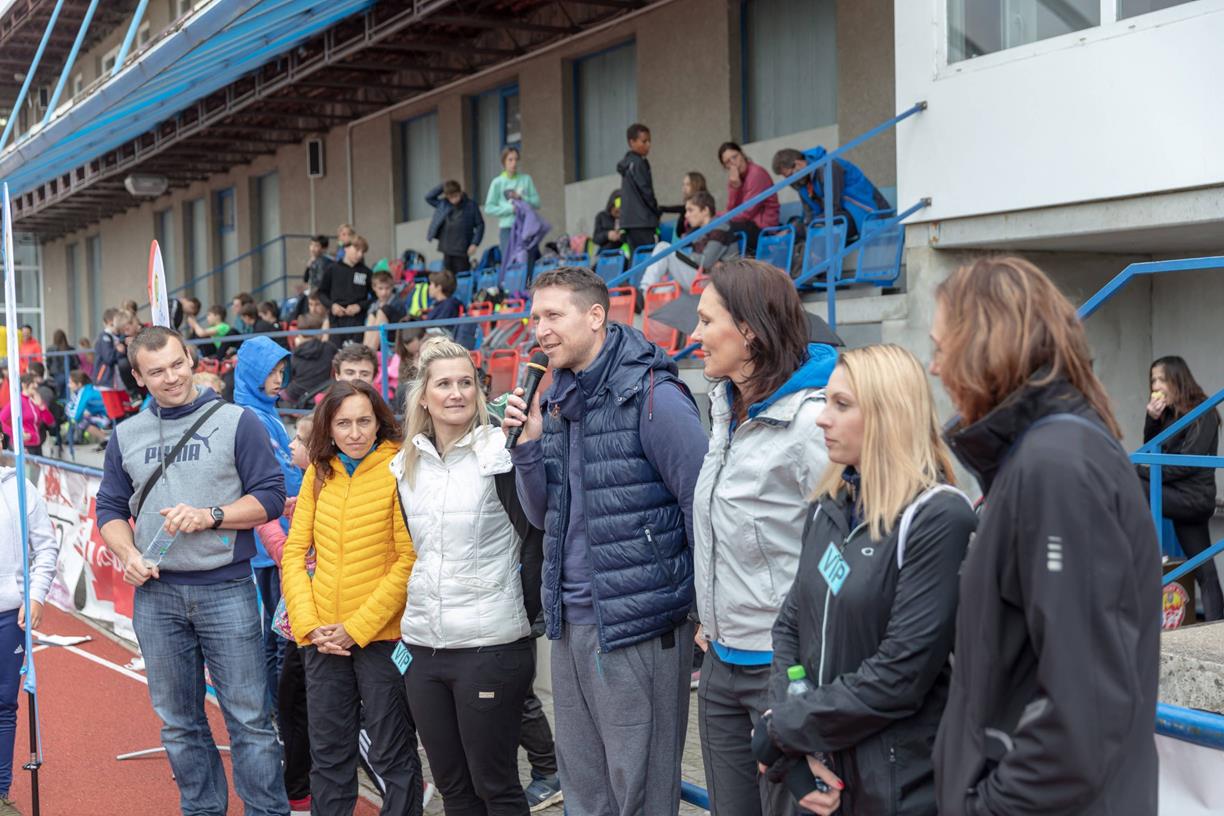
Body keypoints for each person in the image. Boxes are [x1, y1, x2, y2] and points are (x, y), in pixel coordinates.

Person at [929, 256, 1161, 815]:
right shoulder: (1043, 457)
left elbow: (1084, 711)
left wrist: (986, 807)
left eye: (940, 348)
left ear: (984, 349)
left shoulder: (1057, 467)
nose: (934, 368)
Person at [501, 266, 708, 815]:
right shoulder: (557, 398)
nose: (540, 330)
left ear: (596, 316)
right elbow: (543, 516)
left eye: (553, 315)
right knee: (587, 792)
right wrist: (527, 446)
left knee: (639, 791)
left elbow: (700, 505)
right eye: (535, 318)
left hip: (639, 625)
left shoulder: (654, 396)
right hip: (571, 622)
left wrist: (705, 609)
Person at [752, 344, 976, 816]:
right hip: (820, 770)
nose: (822, 419)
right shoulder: (829, 505)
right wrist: (793, 747)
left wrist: (783, 730)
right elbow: (790, 626)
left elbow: (900, 675)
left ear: (887, 414)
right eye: (826, 402)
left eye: (841, 404)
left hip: (896, 787)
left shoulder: (937, 517)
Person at [95, 326, 288, 816]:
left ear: (190, 358)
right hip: (156, 595)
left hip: (227, 589)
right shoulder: (126, 434)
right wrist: (127, 554)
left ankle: (267, 811)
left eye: (178, 364)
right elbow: (110, 508)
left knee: (249, 720)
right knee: (179, 723)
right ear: (139, 377)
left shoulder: (237, 421)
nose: (172, 377)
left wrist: (212, 515)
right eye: (157, 371)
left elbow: (269, 497)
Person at [688, 260, 836, 815]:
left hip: (784, 670)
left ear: (749, 330)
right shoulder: (724, 409)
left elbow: (853, 544)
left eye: (707, 321)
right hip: (719, 663)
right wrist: (709, 611)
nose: (694, 334)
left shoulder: (812, 424)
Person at [392, 336, 542, 815]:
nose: (456, 393)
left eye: (466, 382)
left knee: (495, 786)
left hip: (489, 645)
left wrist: (524, 612)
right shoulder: (405, 464)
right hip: (423, 647)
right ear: (423, 396)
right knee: (453, 788)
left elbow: (537, 537)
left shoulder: (502, 451)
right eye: (443, 384)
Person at [280, 380, 421, 816]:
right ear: (329, 427)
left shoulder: (400, 468)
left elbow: (408, 559)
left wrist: (356, 628)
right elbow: (294, 553)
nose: (355, 433)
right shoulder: (319, 473)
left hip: (381, 638)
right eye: (343, 423)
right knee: (329, 755)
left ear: (379, 422)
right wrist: (308, 625)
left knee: (393, 752)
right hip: (322, 639)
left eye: (364, 421)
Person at [235, 337, 302, 715]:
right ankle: (277, 712)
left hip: (278, 534)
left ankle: (274, 709)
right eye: (270, 372)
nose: (278, 379)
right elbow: (273, 479)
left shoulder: (265, 412)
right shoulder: (252, 417)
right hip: (271, 540)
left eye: (281, 372)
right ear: (252, 373)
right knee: (279, 632)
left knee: (275, 629)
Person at [1140, 356, 1222, 620]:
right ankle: (1218, 627)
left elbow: (1184, 465)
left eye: (1161, 379)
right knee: (1205, 572)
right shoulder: (1169, 413)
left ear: (1178, 379)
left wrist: (1141, 469)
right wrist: (1152, 418)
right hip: (1177, 496)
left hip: (1193, 499)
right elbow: (1151, 449)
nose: (1156, 386)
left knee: (1130, 477)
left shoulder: (1203, 412)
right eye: (1153, 380)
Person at [263, 413, 315, 814]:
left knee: (296, 703)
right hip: (295, 614)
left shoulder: (322, 489)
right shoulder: (310, 488)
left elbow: (295, 556)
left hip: (309, 618)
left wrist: (265, 523)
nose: (291, 446)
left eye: (299, 439)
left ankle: (299, 789)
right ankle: (297, 786)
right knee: (290, 698)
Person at [0, 463, 59, 816]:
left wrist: (36, 595)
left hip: (9, 614)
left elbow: (46, 547)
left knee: (3, 704)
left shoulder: (19, 486)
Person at [771, 147, 891, 243]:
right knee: (795, 232)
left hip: (867, 213)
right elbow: (810, 214)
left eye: (790, 175)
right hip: (840, 216)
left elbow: (833, 207)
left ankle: (817, 264)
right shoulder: (801, 183)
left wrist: (806, 227)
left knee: (817, 226)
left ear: (798, 164)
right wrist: (793, 229)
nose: (790, 181)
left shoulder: (829, 167)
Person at [639, 191, 740, 292]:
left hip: (719, 282)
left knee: (663, 247)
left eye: (690, 210)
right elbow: (703, 261)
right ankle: (643, 296)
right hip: (705, 276)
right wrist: (694, 258)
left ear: (705, 210)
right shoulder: (700, 232)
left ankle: (643, 289)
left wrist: (690, 257)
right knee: (658, 291)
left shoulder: (720, 226)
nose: (686, 215)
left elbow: (706, 261)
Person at [485, 146, 541, 265]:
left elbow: (537, 202)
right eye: (510, 160)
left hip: (526, 227)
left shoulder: (526, 179)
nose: (513, 163)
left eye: (516, 159)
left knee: (528, 261)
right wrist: (510, 209)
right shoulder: (497, 182)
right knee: (510, 263)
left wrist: (522, 198)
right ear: (504, 162)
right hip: (507, 227)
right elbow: (489, 208)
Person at [718, 143, 779, 251]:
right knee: (714, 228)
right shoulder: (734, 179)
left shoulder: (756, 173)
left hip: (764, 228)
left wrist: (719, 216)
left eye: (735, 157)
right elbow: (731, 209)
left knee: (720, 227)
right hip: (748, 224)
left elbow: (747, 212)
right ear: (725, 167)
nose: (733, 163)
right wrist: (735, 187)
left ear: (742, 154)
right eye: (728, 162)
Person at [318, 235, 374, 348]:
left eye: (362, 252)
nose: (360, 254)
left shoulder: (366, 272)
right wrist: (332, 306)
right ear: (346, 248)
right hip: (336, 320)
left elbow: (375, 297)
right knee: (334, 352)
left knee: (356, 353)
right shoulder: (332, 269)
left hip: (358, 320)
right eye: (357, 250)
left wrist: (359, 306)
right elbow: (322, 293)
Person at [617, 123, 660, 253]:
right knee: (650, 256)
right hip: (643, 221)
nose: (648, 145)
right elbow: (646, 190)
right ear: (632, 142)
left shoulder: (627, 164)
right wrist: (656, 210)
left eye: (649, 141)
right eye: (644, 141)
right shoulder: (639, 162)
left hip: (629, 222)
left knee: (637, 257)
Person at [426, 180, 485, 273]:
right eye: (450, 197)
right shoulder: (443, 204)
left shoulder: (471, 205)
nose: (453, 200)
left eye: (455, 196)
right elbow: (429, 197)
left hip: (462, 248)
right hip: (447, 247)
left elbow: (480, 225)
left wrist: (475, 243)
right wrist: (444, 186)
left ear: (460, 192)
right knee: (448, 276)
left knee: (462, 275)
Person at [284, 314, 337, 406]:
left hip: (295, 396)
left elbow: (288, 376)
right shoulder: (329, 348)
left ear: (299, 333)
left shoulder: (295, 354)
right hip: (321, 394)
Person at [0, 373, 53, 455]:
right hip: (24, 446)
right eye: (33, 383)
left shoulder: (36, 399)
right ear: (24, 385)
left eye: (36, 383)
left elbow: (50, 422)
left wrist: (41, 406)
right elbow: (1, 420)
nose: (36, 385)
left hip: (37, 445)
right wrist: (16, 435)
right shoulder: (17, 401)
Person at [363, 271, 408, 349]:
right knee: (372, 315)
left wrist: (382, 310)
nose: (384, 292)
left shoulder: (398, 302)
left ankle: (370, 352)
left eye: (387, 288)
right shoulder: (373, 305)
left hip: (396, 336)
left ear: (392, 287)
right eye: (380, 288)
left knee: (384, 310)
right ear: (374, 288)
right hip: (380, 338)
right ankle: (366, 349)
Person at [659, 171, 709, 240]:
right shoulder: (687, 205)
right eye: (683, 184)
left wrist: (664, 209)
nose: (684, 188)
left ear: (696, 184)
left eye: (688, 184)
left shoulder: (702, 201)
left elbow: (682, 209)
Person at [67, 370, 111, 444]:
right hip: (108, 414)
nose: (69, 385)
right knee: (85, 417)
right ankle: (105, 439)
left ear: (79, 384)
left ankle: (106, 439)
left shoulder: (84, 392)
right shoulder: (90, 388)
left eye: (71, 383)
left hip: (108, 416)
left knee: (81, 421)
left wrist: (68, 410)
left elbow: (76, 416)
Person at [93, 308, 122, 388]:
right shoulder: (104, 337)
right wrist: (119, 351)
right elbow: (108, 357)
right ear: (108, 323)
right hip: (105, 380)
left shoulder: (118, 336)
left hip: (116, 380)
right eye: (112, 325)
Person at [46, 329, 78, 397]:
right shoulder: (70, 349)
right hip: (69, 373)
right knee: (67, 393)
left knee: (59, 394)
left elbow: (48, 363)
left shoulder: (50, 349)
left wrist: (50, 371)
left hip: (56, 374)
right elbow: (76, 363)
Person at [592, 190, 625, 255]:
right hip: (606, 254)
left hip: (622, 253)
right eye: (617, 207)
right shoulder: (601, 216)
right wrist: (607, 235)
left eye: (621, 207)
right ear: (611, 205)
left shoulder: (625, 218)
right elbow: (596, 239)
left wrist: (621, 236)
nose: (619, 210)